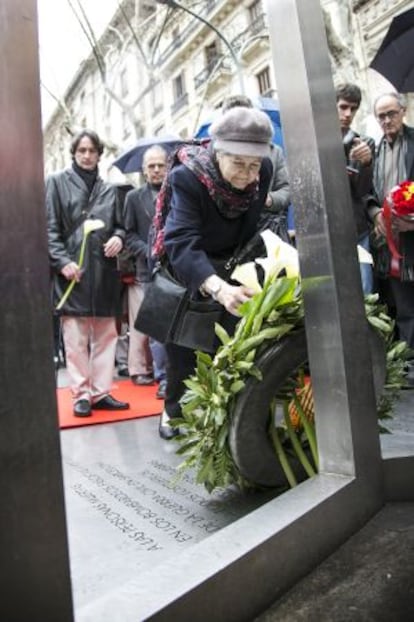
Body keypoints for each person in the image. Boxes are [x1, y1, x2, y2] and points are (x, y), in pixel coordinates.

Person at [157, 106, 274, 439]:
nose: (247, 176)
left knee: (231, 345)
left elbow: (252, 221)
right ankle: (173, 411)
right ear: (217, 153)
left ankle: (229, 415)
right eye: (238, 163)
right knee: (185, 348)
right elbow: (179, 239)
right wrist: (216, 286)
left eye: (254, 165)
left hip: (234, 261)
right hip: (190, 265)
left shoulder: (261, 170)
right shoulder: (187, 176)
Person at [46, 129, 130, 416]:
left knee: (107, 336)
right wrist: (61, 262)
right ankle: (81, 394)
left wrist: (119, 238)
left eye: (92, 150)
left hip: (104, 271)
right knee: (76, 338)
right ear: (74, 152)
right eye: (81, 150)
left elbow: (121, 226)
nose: (86, 155)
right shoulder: (56, 183)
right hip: (73, 272)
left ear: (98, 154)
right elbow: (50, 229)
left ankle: (101, 391)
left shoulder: (109, 189)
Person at [369, 93, 414, 364]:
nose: (387, 120)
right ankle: (410, 364)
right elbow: (367, 194)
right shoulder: (373, 150)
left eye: (391, 113)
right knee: (404, 307)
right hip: (390, 244)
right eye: (381, 116)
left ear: (403, 111)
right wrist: (375, 214)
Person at [124, 145, 168, 398]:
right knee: (157, 329)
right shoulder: (133, 198)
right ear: (143, 170)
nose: (156, 170)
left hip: (178, 269)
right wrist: (149, 250)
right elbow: (128, 234)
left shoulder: (179, 194)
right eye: (151, 166)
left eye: (160, 165)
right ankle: (163, 377)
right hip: (148, 271)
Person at [222, 95, 291, 243]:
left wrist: (268, 200)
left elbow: (286, 190)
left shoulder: (273, 152)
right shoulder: (217, 157)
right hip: (230, 234)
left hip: (266, 233)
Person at [335, 83, 377, 294]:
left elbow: (363, 191)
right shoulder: (318, 142)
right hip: (328, 232)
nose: (347, 114)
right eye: (343, 107)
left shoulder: (363, 142)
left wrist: (367, 163)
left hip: (357, 230)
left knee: (365, 293)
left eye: (353, 109)